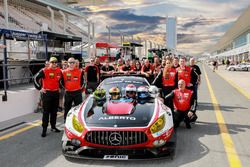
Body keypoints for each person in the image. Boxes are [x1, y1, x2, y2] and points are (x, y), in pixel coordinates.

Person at [34, 57, 62, 137]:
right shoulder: (44, 70)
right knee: (46, 112)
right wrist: (40, 88)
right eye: (52, 62)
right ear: (49, 63)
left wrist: (60, 87)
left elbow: (60, 80)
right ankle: (44, 129)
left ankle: (53, 127)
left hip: (56, 93)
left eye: (55, 62)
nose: (54, 64)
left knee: (54, 112)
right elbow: (35, 78)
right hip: (47, 94)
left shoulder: (59, 71)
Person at [61, 57, 84, 122]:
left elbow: (83, 82)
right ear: (68, 63)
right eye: (70, 62)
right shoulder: (64, 72)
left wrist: (80, 89)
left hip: (77, 93)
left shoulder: (80, 71)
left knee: (78, 109)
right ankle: (66, 121)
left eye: (73, 62)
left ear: (75, 63)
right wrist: (65, 88)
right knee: (67, 109)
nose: (71, 64)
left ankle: (78, 122)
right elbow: (61, 82)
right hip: (68, 93)